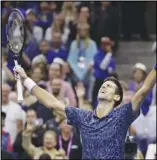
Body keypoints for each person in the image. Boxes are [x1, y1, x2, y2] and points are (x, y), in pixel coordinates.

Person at [14, 62, 156, 159]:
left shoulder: (122, 114)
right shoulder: (83, 117)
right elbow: (53, 103)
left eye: (109, 86)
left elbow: (144, 89)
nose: (104, 87)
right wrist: (26, 80)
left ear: (117, 96)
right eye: (103, 85)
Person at [92, 37, 116, 108]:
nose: (108, 47)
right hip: (98, 81)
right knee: (96, 99)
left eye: (108, 45)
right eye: (105, 45)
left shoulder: (111, 57)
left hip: (107, 81)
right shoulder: (97, 55)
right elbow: (102, 67)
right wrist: (109, 54)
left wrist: (109, 55)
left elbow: (110, 70)